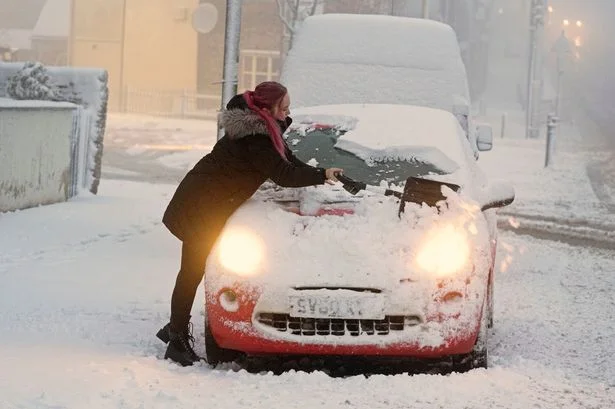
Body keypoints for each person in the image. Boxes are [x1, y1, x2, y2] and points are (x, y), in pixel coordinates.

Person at [156, 81, 343, 366]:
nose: (288, 112)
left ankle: (174, 327)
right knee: (191, 271)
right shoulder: (256, 138)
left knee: (192, 270)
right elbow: (284, 175)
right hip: (201, 206)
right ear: (268, 109)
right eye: (285, 107)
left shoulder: (265, 131)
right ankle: (177, 339)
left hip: (209, 200)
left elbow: (290, 162)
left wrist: (323, 173)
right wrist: (321, 175)